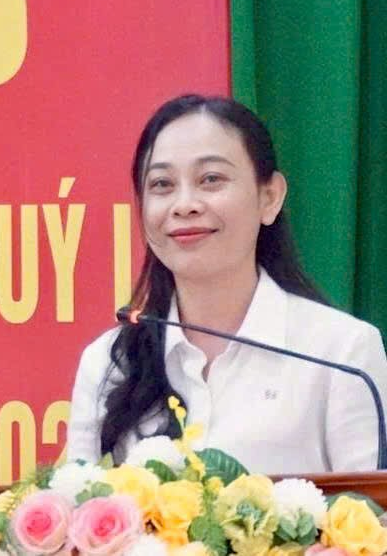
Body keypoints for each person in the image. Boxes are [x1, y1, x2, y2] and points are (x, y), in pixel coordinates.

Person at [67, 94, 387, 473]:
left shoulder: (342, 354)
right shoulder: (109, 361)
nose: (184, 205)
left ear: (269, 197)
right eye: (162, 184)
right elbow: (79, 500)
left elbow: (373, 508)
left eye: (211, 179)